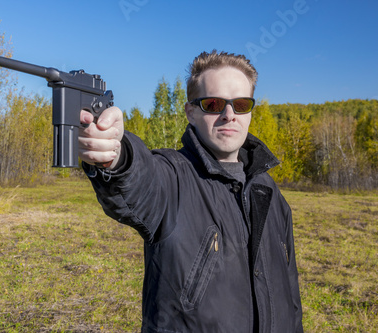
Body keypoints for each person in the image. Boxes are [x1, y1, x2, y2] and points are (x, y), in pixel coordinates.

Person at [78, 50, 303, 333]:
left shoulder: (269, 192)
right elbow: (138, 178)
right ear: (191, 112)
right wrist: (116, 155)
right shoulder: (173, 177)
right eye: (213, 103)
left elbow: (291, 293)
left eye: (241, 104)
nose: (229, 115)